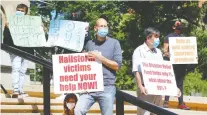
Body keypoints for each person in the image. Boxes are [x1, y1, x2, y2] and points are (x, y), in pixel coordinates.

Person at [74, 18, 122, 115]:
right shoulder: (89, 44)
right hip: (90, 87)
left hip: (107, 87)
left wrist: (100, 58)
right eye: (101, 26)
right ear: (95, 28)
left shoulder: (115, 43)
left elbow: (117, 66)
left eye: (106, 26)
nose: (104, 28)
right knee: (78, 111)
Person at [132, 27, 163, 115]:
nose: (158, 39)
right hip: (145, 89)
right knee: (144, 113)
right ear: (148, 38)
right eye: (156, 36)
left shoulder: (159, 52)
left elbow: (163, 70)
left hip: (157, 89)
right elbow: (136, 70)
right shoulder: (139, 51)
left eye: (158, 37)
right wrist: (140, 86)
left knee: (157, 112)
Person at [3, 3, 31, 98]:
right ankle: (15, 90)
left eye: (22, 11)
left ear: (26, 13)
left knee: (23, 70)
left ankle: (21, 90)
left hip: (26, 50)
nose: (20, 12)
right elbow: (5, 37)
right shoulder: (10, 22)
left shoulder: (29, 23)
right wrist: (7, 28)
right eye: (18, 10)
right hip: (15, 50)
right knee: (16, 68)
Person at [163, 20, 190, 110]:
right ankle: (166, 101)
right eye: (177, 24)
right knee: (169, 81)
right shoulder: (168, 37)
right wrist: (169, 54)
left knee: (180, 84)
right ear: (173, 27)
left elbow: (188, 51)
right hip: (171, 63)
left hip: (181, 64)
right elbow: (165, 50)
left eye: (180, 24)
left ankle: (181, 103)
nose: (179, 25)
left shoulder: (184, 38)